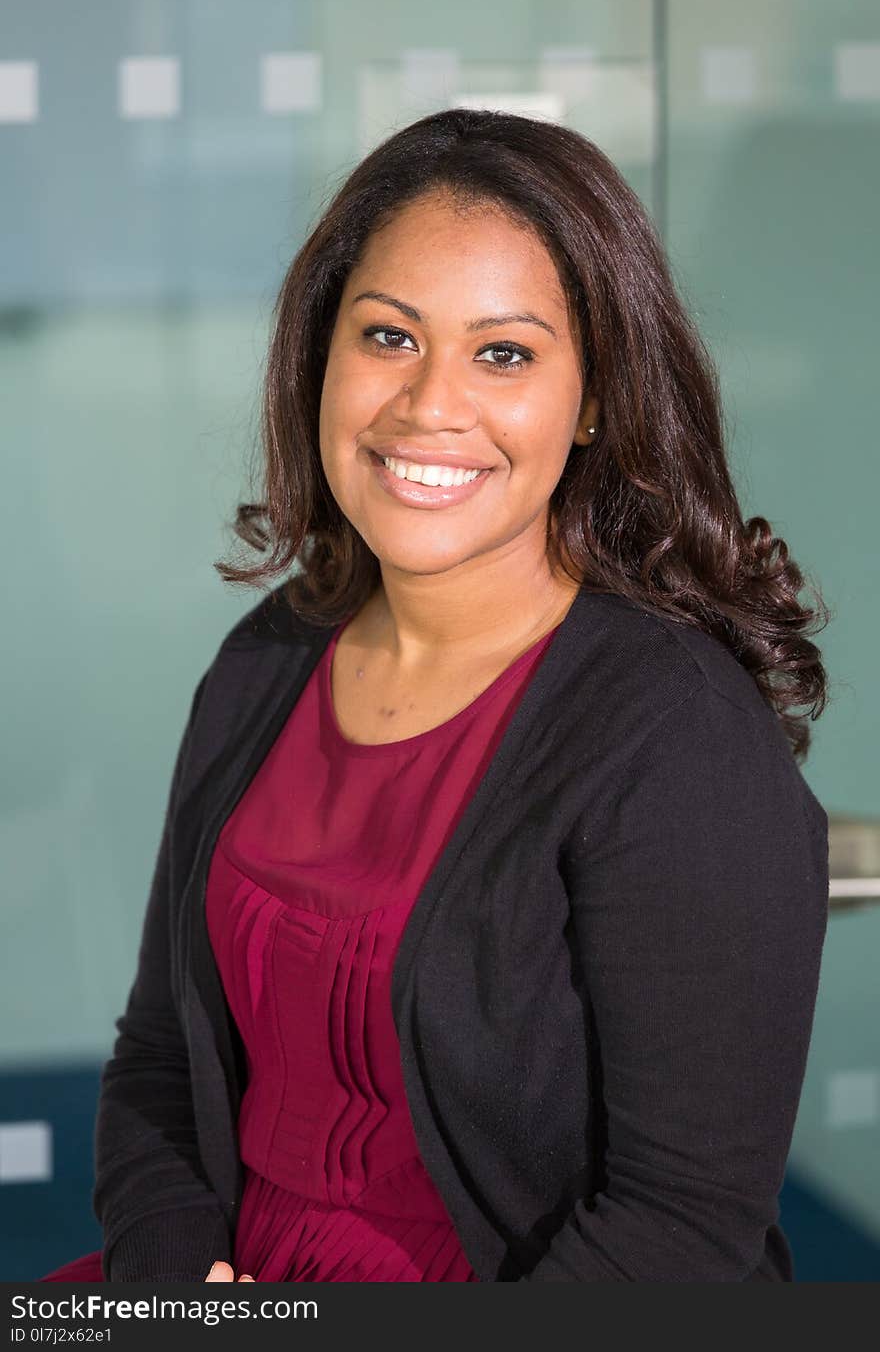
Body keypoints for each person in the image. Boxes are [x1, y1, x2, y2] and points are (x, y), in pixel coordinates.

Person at [41, 107, 830, 1284]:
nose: (428, 406)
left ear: (599, 399)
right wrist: (179, 1294)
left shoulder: (674, 736)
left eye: (503, 352)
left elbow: (680, 1223)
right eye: (389, 337)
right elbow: (160, 1057)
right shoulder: (268, 657)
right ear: (322, 355)